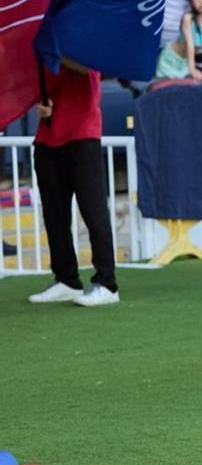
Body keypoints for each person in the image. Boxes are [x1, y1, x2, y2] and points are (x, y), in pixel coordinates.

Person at [26, 64, 120, 307]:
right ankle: (66, 279)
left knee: (93, 211)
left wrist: (56, 54)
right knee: (54, 216)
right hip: (47, 138)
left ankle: (107, 284)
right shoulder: (46, 47)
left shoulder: (82, 40)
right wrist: (44, 104)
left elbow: (85, 66)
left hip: (83, 136)